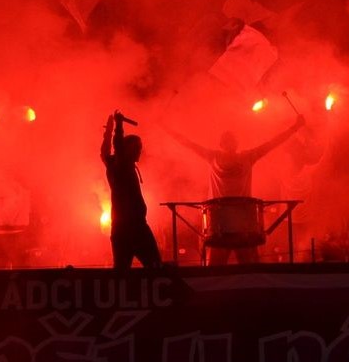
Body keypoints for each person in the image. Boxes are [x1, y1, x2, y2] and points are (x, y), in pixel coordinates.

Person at [167, 114, 305, 263]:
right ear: (222, 144)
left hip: (229, 221)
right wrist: (295, 127)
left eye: (231, 141)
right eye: (228, 141)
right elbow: (188, 143)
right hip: (232, 220)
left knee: (225, 267)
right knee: (240, 266)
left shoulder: (240, 157)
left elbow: (271, 144)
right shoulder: (230, 157)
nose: (230, 144)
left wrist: (295, 128)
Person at [101, 111, 162, 271]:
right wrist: (118, 127)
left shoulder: (113, 164)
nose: (139, 151)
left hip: (121, 228)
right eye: (136, 147)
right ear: (127, 149)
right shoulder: (122, 165)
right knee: (155, 267)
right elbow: (117, 147)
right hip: (135, 228)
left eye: (140, 147)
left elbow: (105, 152)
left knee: (121, 271)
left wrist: (108, 129)